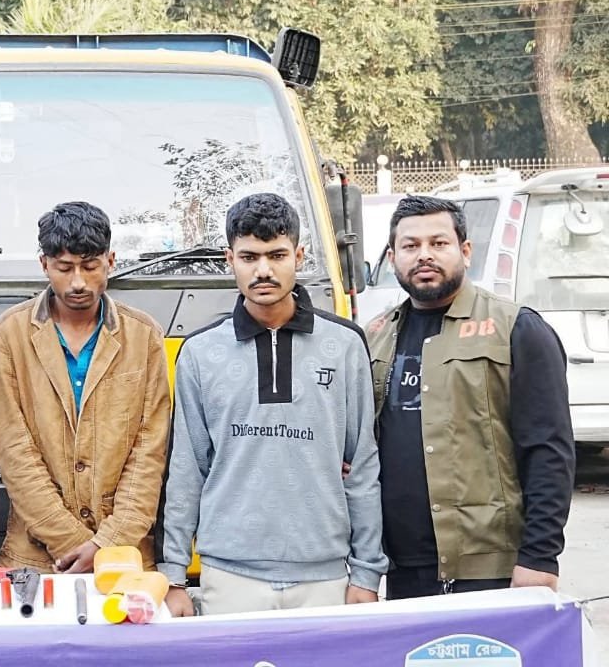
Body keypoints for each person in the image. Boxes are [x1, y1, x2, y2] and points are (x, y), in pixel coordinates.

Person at [160, 193, 385, 616]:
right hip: (229, 574)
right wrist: (173, 574)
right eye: (249, 257)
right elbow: (187, 469)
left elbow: (362, 465)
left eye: (277, 255)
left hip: (326, 575)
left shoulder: (344, 345)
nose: (263, 270)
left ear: (299, 256)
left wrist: (367, 573)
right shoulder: (200, 352)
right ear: (230, 260)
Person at [367, 195, 575, 599]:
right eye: (410, 245)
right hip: (402, 568)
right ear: (392, 258)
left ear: (465, 250)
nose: (424, 255)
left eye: (438, 243)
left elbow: (549, 451)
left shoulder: (515, 329)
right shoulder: (375, 336)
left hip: (490, 567)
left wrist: (540, 557)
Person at [0, 202, 170, 574]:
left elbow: (149, 451)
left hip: (125, 556)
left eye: (90, 267)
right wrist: (71, 542)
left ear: (111, 261)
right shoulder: (12, 334)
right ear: (44, 265)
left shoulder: (144, 336)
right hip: (34, 559)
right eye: (64, 268)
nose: (77, 282)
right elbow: (13, 448)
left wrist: (108, 544)